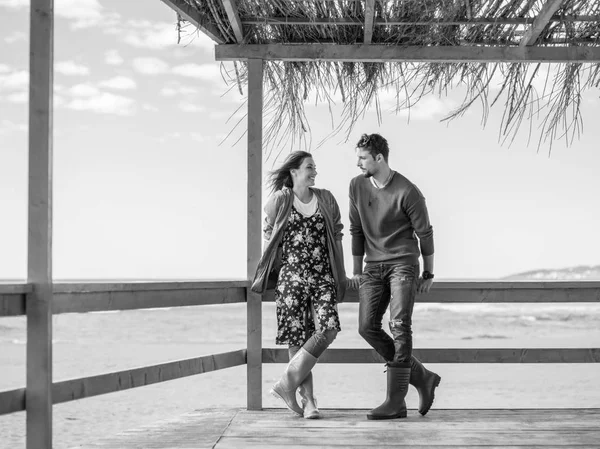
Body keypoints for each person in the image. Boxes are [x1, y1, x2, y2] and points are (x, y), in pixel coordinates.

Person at [347, 133, 441, 420]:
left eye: (363, 157)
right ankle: (422, 375)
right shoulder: (357, 186)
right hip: (373, 267)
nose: (358, 162)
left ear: (379, 158)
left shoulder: (408, 191)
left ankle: (396, 402)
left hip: (403, 263)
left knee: (400, 324)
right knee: (367, 327)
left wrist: (428, 272)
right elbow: (356, 230)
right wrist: (355, 270)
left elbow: (425, 233)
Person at [252, 151, 346, 419]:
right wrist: (276, 266)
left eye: (315, 167)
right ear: (294, 171)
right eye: (309, 167)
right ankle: (309, 403)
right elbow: (269, 233)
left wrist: (341, 274)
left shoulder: (325, 198)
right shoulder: (281, 199)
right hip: (290, 276)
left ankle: (287, 383)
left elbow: (337, 235)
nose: (314, 171)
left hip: (322, 275)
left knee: (328, 330)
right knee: (296, 337)